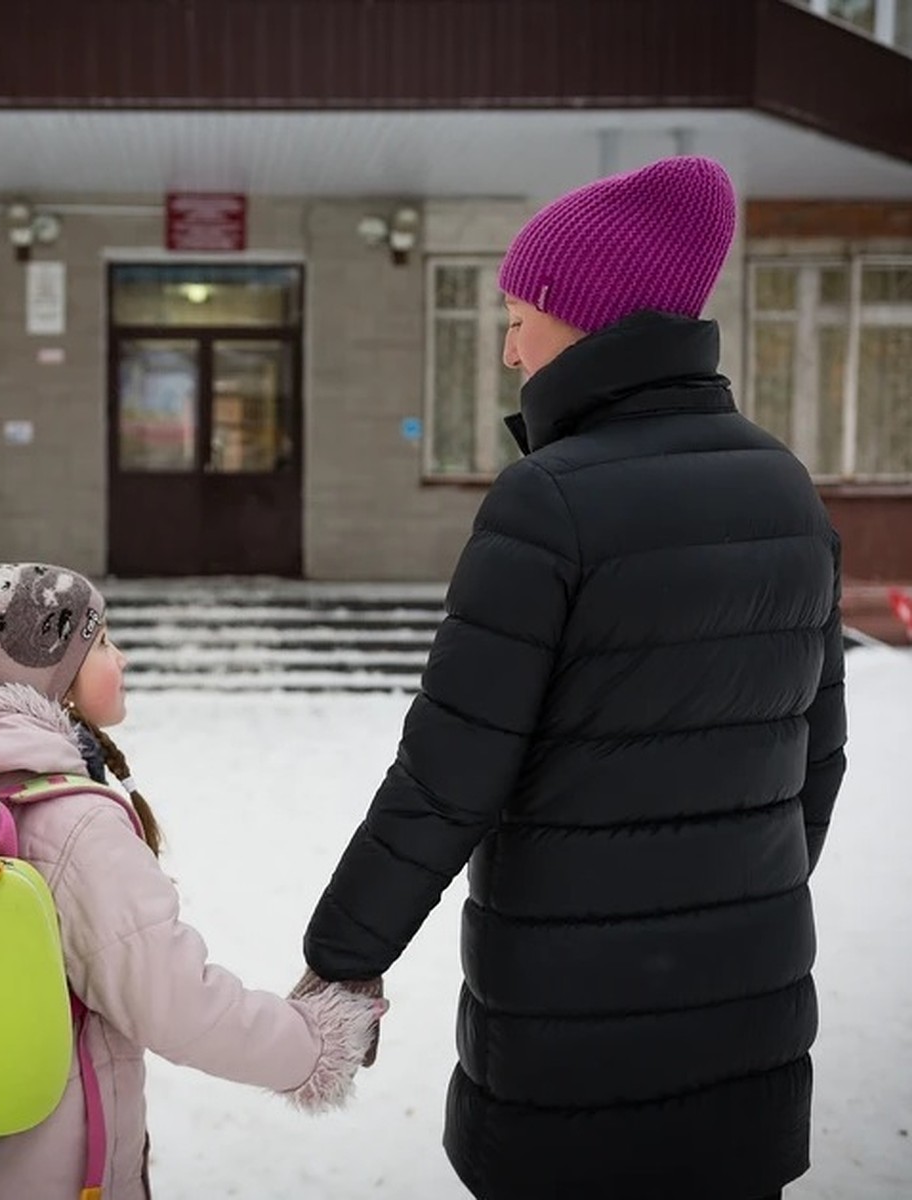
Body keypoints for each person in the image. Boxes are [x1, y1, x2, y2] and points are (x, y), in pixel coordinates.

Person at [300, 157, 847, 1200]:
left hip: (569, 1031)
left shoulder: (548, 503)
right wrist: (733, 898)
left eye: (521, 313)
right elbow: (817, 761)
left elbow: (448, 773)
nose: (509, 345)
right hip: (747, 1015)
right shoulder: (785, 488)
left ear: (588, 320)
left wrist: (343, 955)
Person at [0, 562, 384, 1200]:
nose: (122, 656)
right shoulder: (69, 825)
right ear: (51, 679)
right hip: (51, 1176)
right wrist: (313, 1046)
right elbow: (175, 1003)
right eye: (102, 642)